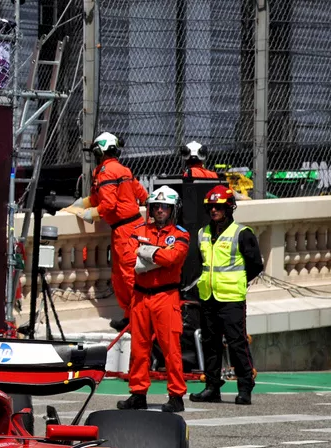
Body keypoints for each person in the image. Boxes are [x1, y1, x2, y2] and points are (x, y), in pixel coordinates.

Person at [63, 132, 148, 331]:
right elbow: (142, 195)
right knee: (121, 276)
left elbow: (107, 205)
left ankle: (136, 319)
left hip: (126, 231)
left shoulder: (107, 172)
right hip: (128, 229)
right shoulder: (122, 170)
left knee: (127, 276)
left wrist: (89, 213)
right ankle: (131, 316)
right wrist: (83, 203)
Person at [117, 187, 190, 413]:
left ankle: (176, 395)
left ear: (172, 209)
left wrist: (146, 252)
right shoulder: (138, 229)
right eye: (156, 207)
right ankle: (138, 394)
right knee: (138, 349)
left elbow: (173, 257)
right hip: (140, 295)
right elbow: (128, 259)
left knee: (171, 349)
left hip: (166, 296)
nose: (159, 210)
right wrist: (158, 253)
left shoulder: (180, 234)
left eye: (164, 207)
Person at [190, 185, 264, 405]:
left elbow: (255, 265)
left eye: (219, 206)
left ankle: (244, 387)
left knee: (236, 343)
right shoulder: (202, 233)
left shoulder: (242, 233)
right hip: (208, 297)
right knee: (210, 343)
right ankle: (212, 387)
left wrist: (238, 282)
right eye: (211, 207)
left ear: (229, 207)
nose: (214, 210)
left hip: (231, 298)